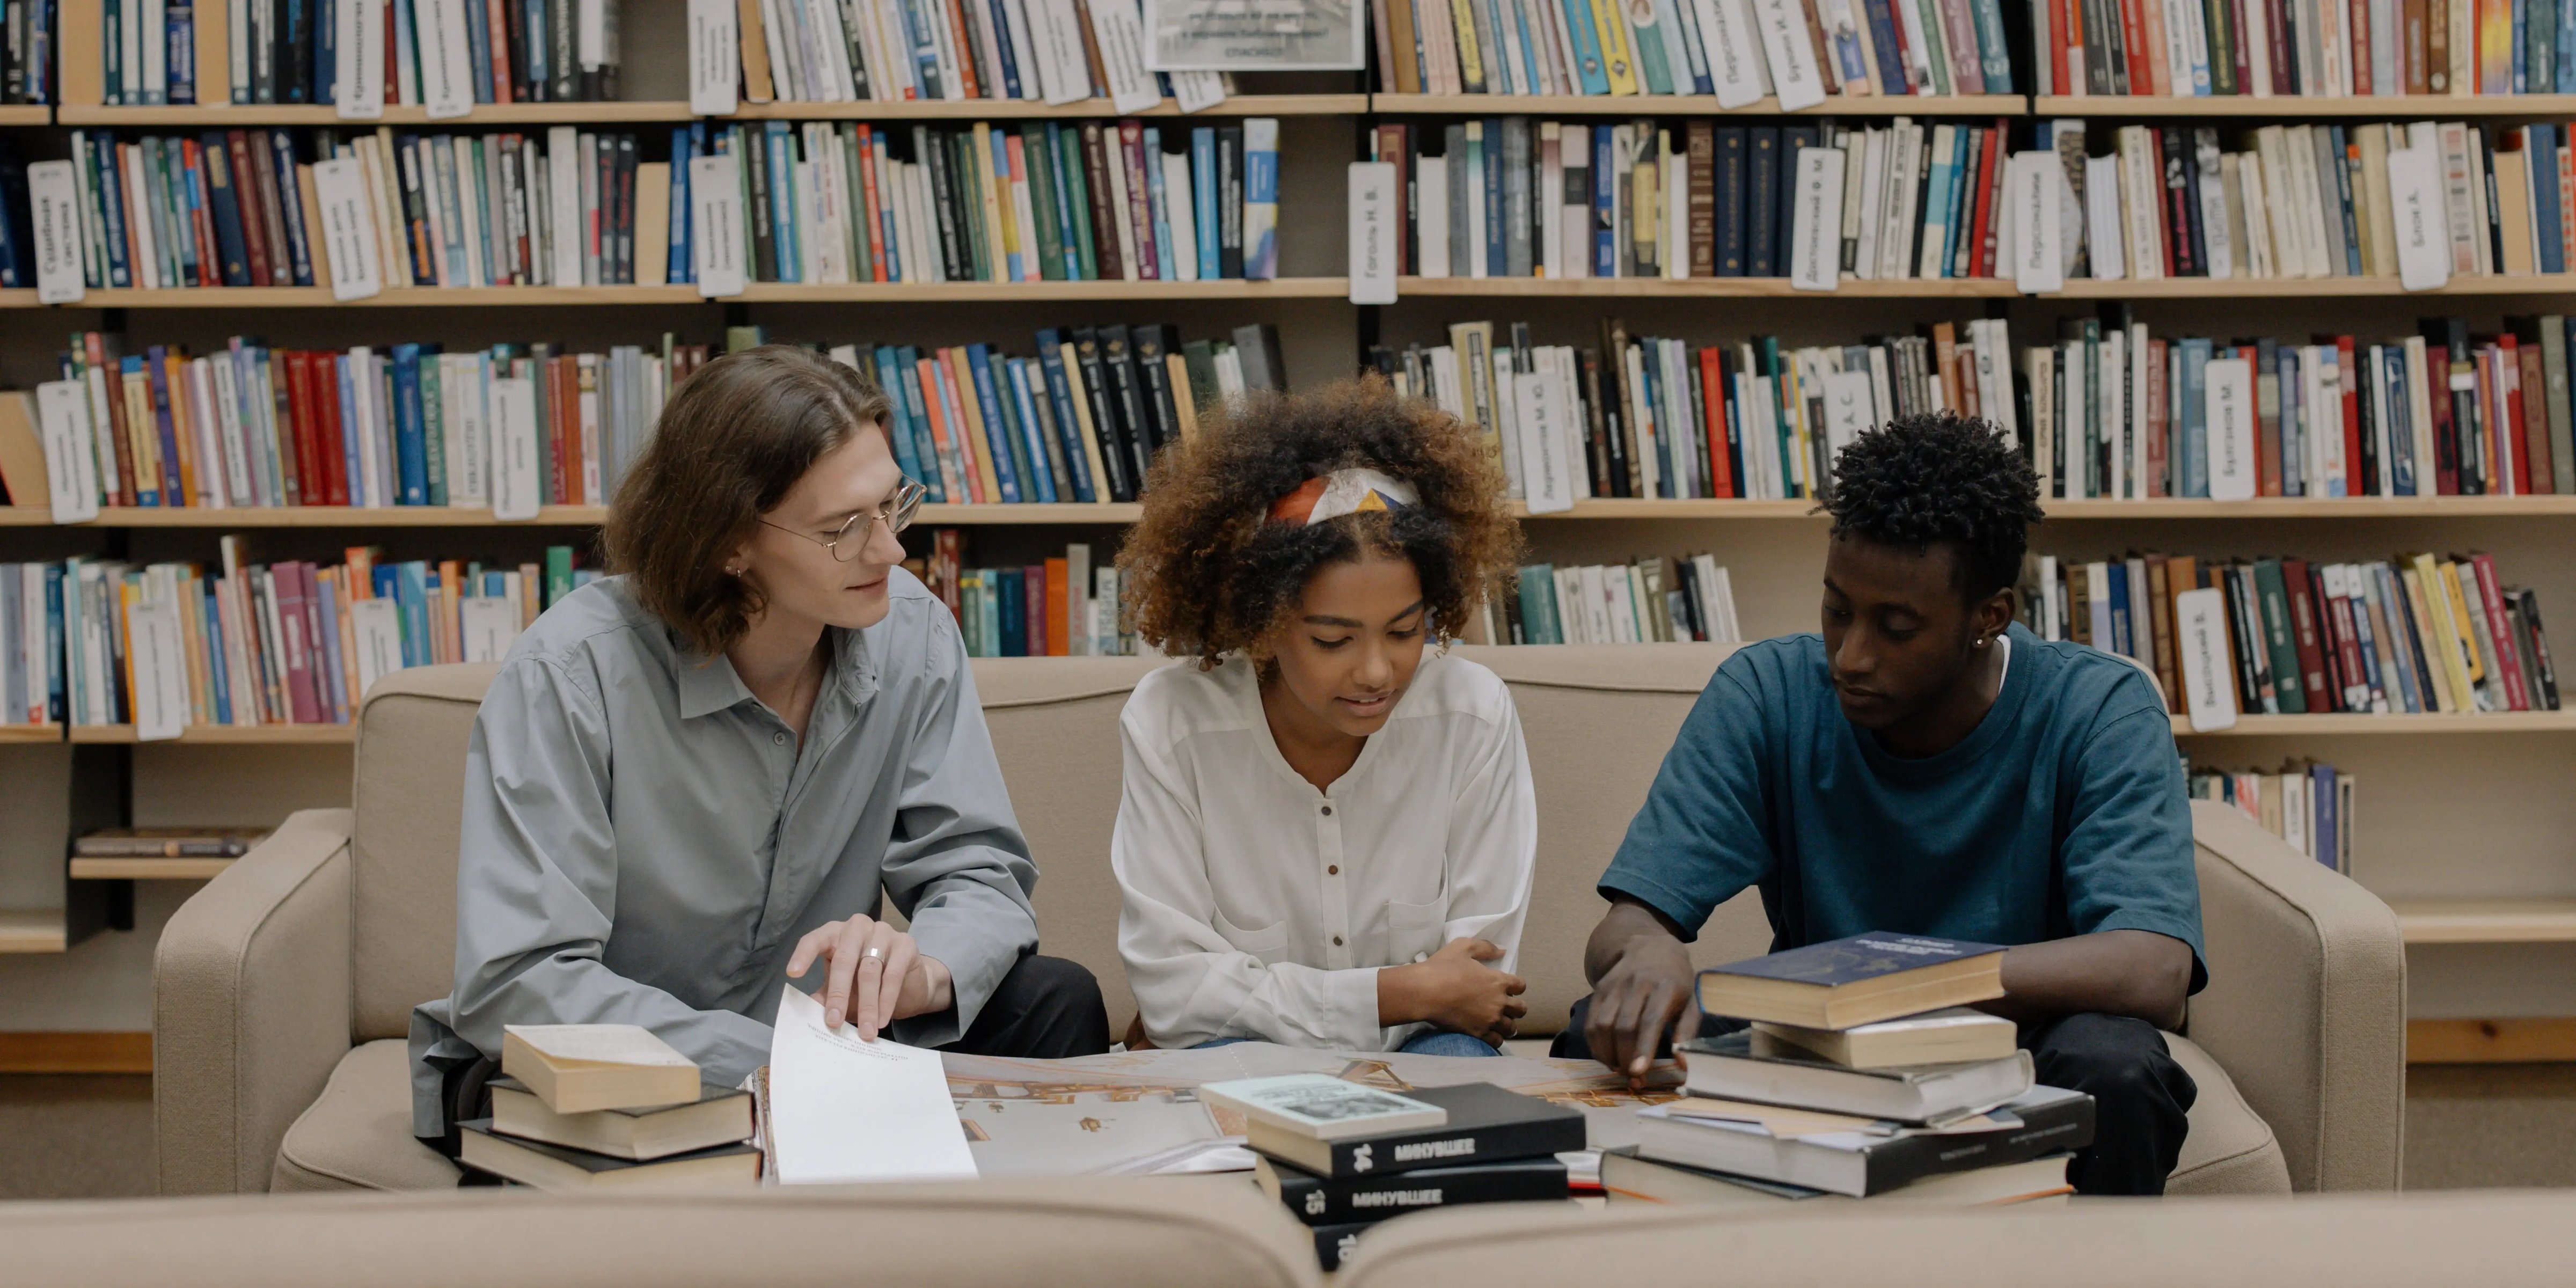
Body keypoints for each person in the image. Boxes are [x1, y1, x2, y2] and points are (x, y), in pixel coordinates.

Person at [410, 345, 1109, 1152]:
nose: (891, 551)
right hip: (624, 1064)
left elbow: (977, 869)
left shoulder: (910, 632)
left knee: (1055, 998)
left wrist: (924, 970)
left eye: (892, 506)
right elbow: (520, 982)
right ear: (728, 543)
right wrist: (793, 1067)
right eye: (845, 528)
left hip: (823, 1043)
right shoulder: (570, 675)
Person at [1562, 411, 2204, 1196]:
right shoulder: (1767, 694)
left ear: (1989, 618)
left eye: (1897, 627)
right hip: (1822, 1037)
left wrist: (1899, 983)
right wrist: (1648, 949)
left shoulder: (2100, 706)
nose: (1852, 656)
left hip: (2024, 1038)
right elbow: (1626, 923)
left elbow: (2152, 970)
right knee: (1600, 1025)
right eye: (1837, 609)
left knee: (2118, 1066)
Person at [1110, 379, 1536, 1057]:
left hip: (1427, 1046)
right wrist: (1400, 993)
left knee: (1458, 1067)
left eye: (1405, 631)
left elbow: (1474, 990)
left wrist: (1412, 999)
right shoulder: (1173, 723)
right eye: (1334, 641)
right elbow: (1176, 996)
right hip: (1242, 1056)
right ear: (1264, 623)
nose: (1376, 672)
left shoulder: (1472, 714)